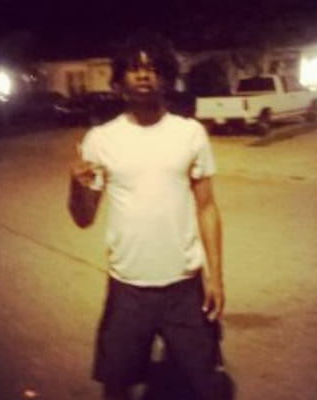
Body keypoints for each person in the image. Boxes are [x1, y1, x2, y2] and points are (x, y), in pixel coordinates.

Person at [68, 32, 232, 400]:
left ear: (167, 78)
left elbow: (207, 206)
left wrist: (217, 278)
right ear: (119, 81)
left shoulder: (190, 133)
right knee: (117, 384)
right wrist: (75, 185)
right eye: (135, 68)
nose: (144, 75)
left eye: (154, 68)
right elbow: (83, 218)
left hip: (185, 285)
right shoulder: (100, 139)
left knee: (205, 382)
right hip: (127, 287)